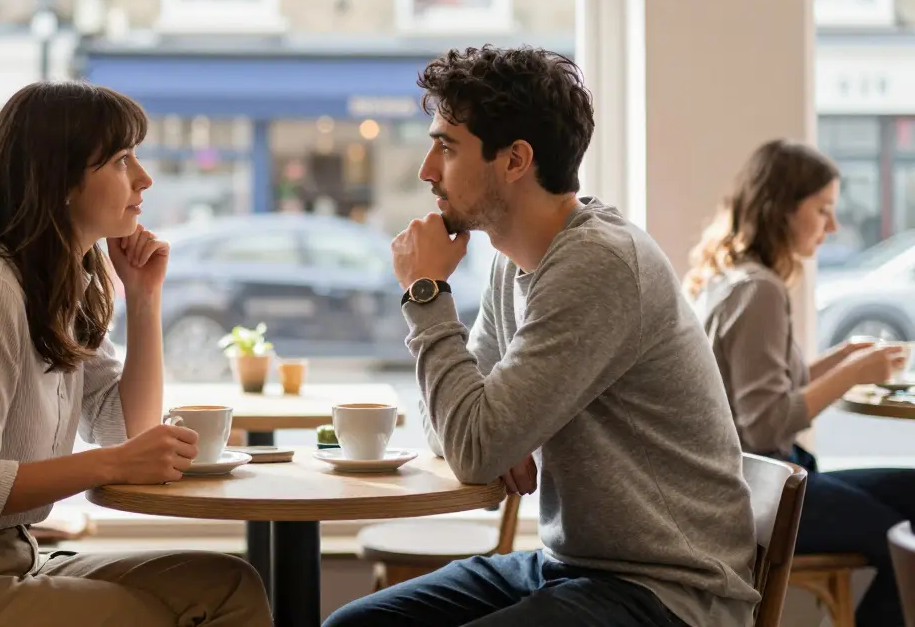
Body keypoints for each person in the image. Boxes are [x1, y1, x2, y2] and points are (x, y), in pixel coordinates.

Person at [324, 45, 761, 627]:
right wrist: (493, 435)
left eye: (447, 147)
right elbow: (451, 430)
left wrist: (425, 293)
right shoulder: (516, 263)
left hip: (670, 590)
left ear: (515, 160)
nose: (427, 171)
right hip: (574, 567)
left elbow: (472, 445)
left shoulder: (599, 264)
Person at [0, 82, 270, 627]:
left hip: (4, 560)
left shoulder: (52, 287)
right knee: (152, 616)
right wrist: (113, 464)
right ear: (60, 179)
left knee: (231, 586)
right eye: (122, 160)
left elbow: (126, 427)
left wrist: (143, 299)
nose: (144, 178)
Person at [685, 139, 915, 627]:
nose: (832, 226)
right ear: (783, 208)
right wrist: (854, 374)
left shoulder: (733, 277)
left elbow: (758, 389)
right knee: (903, 544)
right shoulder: (760, 290)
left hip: (758, 484)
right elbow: (765, 424)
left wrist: (840, 360)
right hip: (759, 495)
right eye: (823, 210)